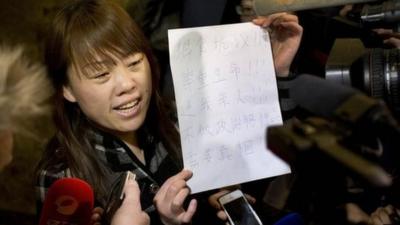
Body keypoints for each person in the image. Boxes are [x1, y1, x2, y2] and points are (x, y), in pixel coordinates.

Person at [35, 0, 302, 224]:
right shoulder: (63, 179)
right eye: (102, 74)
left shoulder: (177, 119)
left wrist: (275, 74)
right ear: (67, 89)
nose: (127, 84)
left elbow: (270, 150)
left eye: (134, 62)